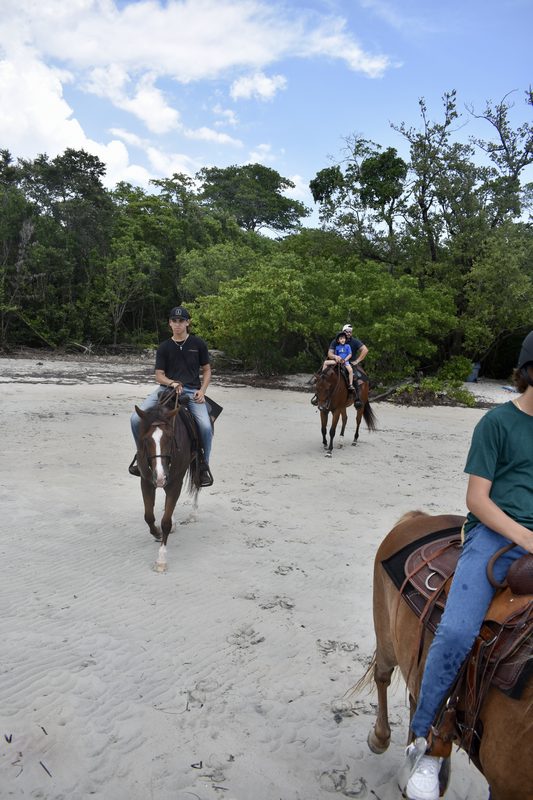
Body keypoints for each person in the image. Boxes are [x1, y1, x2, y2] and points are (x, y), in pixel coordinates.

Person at [400, 330, 533, 800]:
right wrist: (526, 537)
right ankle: (429, 739)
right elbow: (477, 497)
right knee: (457, 632)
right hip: (496, 536)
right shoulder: (497, 423)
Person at [129, 306, 214, 487]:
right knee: (135, 419)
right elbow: (159, 375)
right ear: (169, 323)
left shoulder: (198, 344)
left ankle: (203, 465)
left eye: (181, 321)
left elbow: (206, 370)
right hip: (165, 390)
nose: (177, 324)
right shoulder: (164, 347)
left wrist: (203, 390)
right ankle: (141, 455)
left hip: (192, 392)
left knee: (206, 426)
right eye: (174, 321)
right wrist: (172, 383)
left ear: (187, 322)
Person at [327, 324, 369, 409]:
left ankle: (357, 398)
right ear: (343, 331)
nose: (349, 333)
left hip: (350, 363)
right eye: (347, 332)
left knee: (355, 377)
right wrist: (335, 357)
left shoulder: (355, 341)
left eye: (350, 332)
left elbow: (365, 350)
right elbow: (330, 353)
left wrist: (357, 361)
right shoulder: (336, 340)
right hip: (337, 362)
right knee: (325, 374)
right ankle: (319, 396)